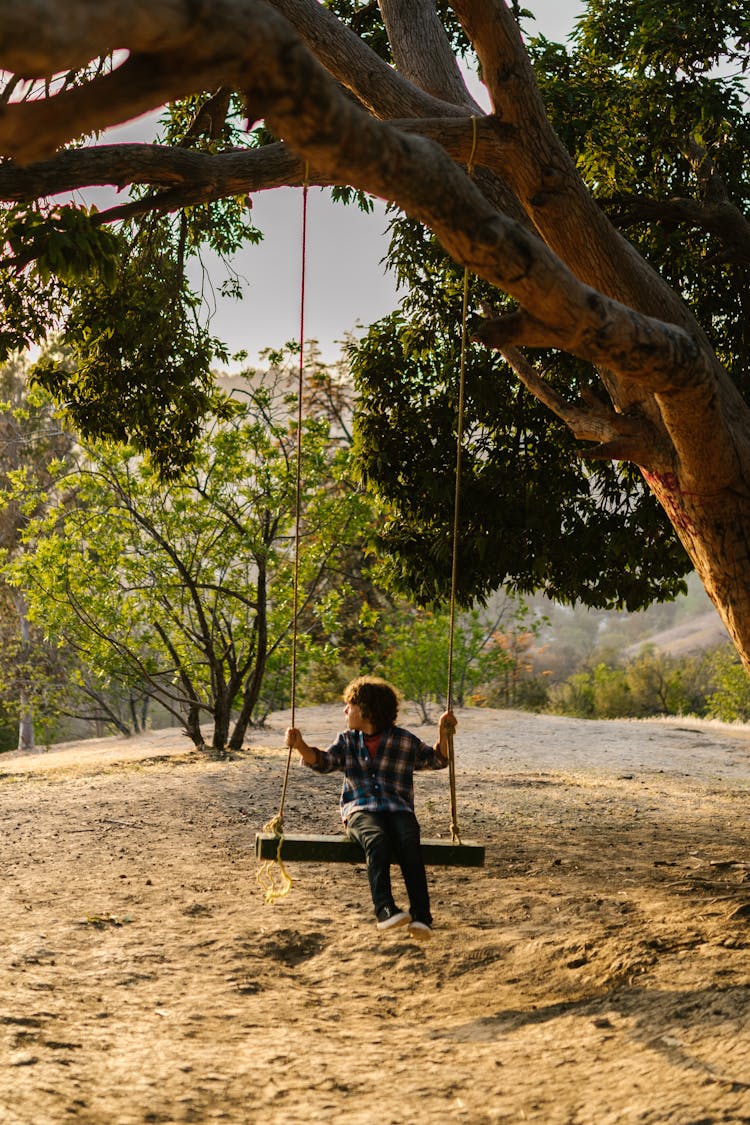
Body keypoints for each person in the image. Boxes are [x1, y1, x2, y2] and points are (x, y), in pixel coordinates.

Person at [285, 675, 455, 942]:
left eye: (349, 705)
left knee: (409, 840)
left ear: (366, 710)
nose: (345, 711)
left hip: (398, 808)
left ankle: (422, 916)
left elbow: (437, 759)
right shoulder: (347, 741)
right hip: (360, 809)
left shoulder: (403, 740)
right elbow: (324, 761)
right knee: (376, 840)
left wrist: (443, 735)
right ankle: (385, 909)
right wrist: (300, 746)